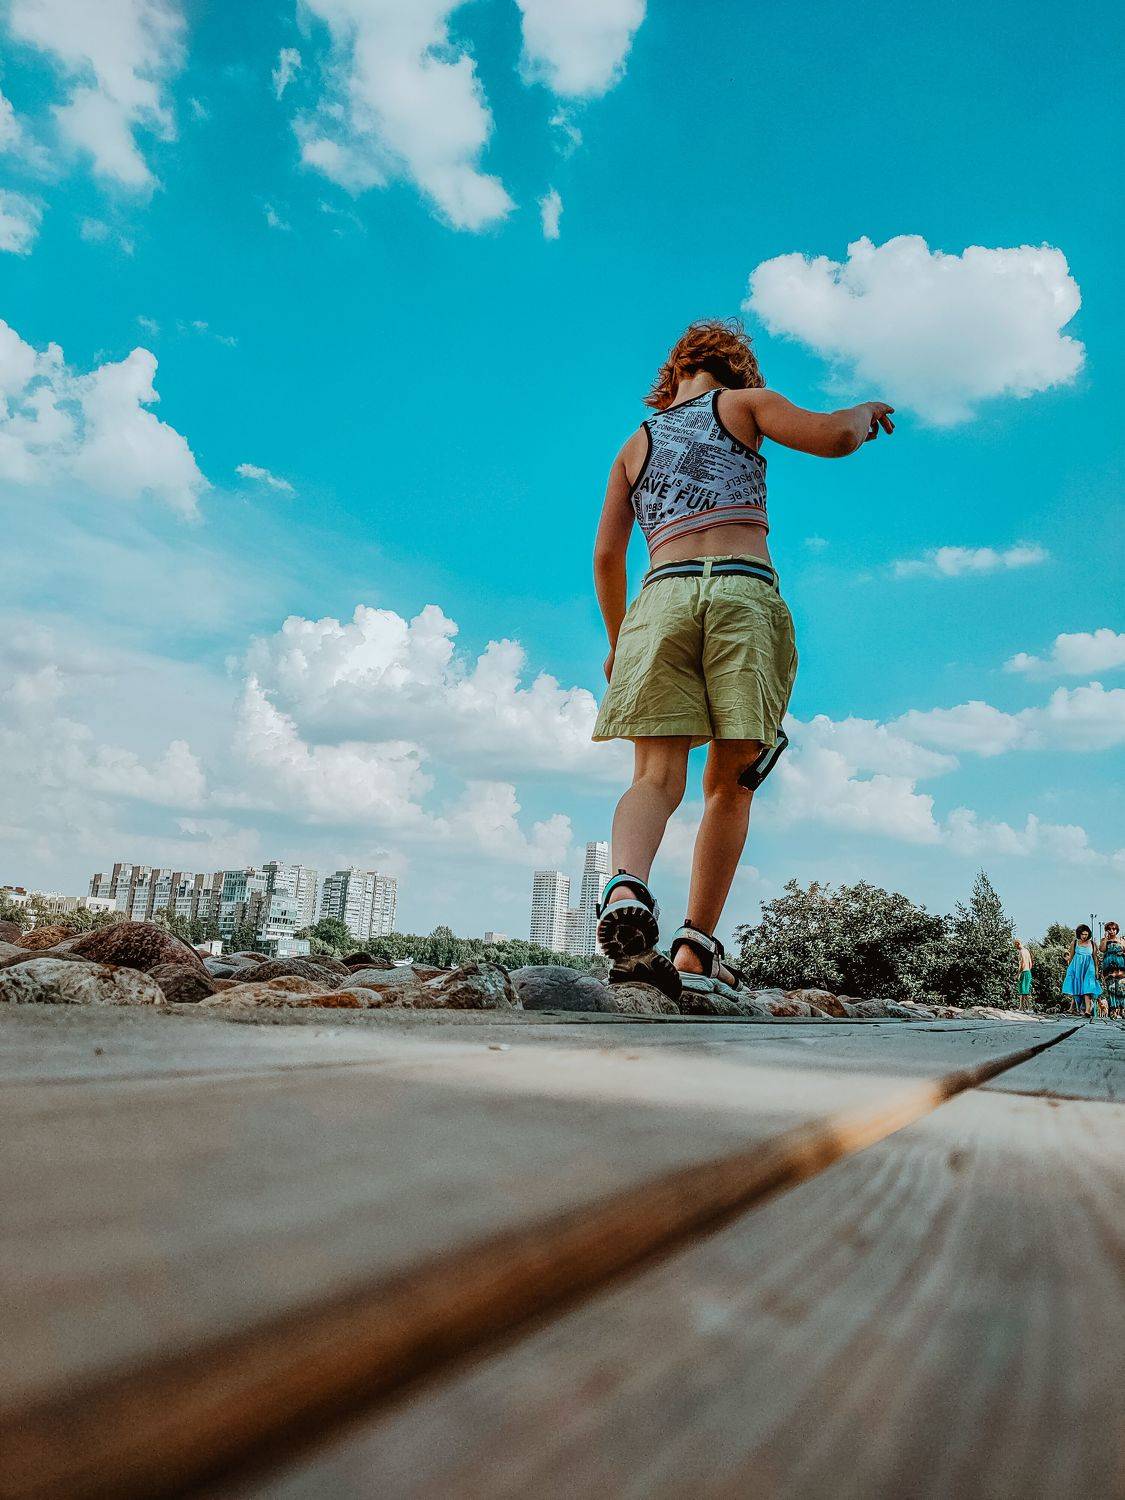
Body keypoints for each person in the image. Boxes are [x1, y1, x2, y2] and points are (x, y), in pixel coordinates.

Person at [591, 319, 894, 997]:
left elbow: (607, 556)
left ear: (673, 373)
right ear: (735, 369)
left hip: (660, 597)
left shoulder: (632, 446)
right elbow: (833, 438)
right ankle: (695, 949)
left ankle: (624, 887)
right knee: (731, 784)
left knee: (654, 776)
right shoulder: (746, 404)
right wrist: (863, 412)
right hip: (741, 591)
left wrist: (618, 642)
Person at [1061, 924, 1102, 1019]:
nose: (1084, 936)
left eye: (1086, 934)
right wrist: (1069, 969)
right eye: (1082, 934)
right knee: (1077, 989)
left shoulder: (1092, 944)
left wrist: (1096, 970)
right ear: (1079, 934)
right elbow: (1071, 956)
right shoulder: (1075, 943)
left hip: (1089, 968)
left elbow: (1095, 958)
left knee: (1088, 987)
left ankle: (1087, 1010)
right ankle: (1080, 1008)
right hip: (1076, 968)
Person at [1099, 921, 1124, 1018]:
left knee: (1121, 989)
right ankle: (1113, 1010)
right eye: (1109, 929)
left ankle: (1122, 1010)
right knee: (1111, 988)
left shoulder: (1121, 940)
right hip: (1109, 968)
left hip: (1121, 967)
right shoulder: (1104, 940)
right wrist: (1105, 938)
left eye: (1113, 929)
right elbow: (1102, 949)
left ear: (1117, 930)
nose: (1111, 931)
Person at [1014, 937, 1034, 1010]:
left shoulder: (1021, 952)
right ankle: (1021, 1007)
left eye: (1015, 945)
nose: (1015, 947)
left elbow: (1022, 964)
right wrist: (1028, 970)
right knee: (1024, 991)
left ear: (1018, 944)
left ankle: (1029, 1008)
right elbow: (1030, 963)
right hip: (1028, 972)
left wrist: (1018, 974)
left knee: (1023, 991)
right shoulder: (1027, 951)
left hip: (1024, 972)